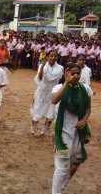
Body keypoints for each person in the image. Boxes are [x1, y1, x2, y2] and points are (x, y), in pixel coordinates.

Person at [51, 63, 92, 194]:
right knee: (62, 167)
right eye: (72, 73)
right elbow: (54, 100)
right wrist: (66, 83)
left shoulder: (85, 89)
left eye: (78, 73)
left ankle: (61, 188)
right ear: (66, 73)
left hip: (78, 131)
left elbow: (88, 108)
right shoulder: (58, 87)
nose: (76, 76)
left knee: (74, 165)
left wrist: (84, 120)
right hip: (62, 131)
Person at [30, 50, 64, 136]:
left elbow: (61, 80)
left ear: (57, 57)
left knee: (51, 114)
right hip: (42, 92)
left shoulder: (60, 68)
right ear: (47, 57)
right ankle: (33, 128)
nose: (53, 57)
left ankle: (44, 131)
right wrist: (42, 67)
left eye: (55, 56)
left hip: (53, 93)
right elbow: (40, 78)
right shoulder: (42, 65)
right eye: (51, 56)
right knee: (37, 110)